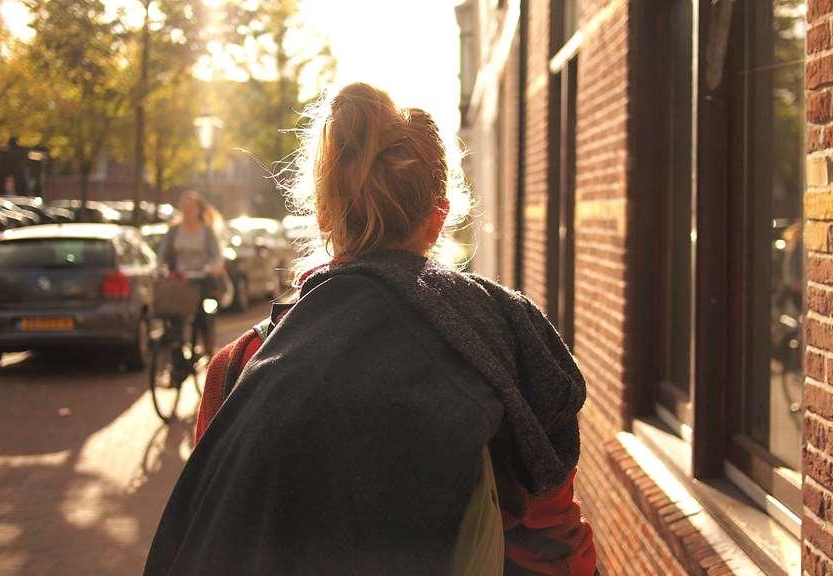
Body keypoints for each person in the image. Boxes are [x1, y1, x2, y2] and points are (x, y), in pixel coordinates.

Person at [144, 83, 596, 575]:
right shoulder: (503, 333)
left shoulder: (238, 368)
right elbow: (555, 538)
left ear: (321, 215)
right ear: (438, 218)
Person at [155, 191, 226, 355]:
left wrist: (211, 268)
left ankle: (207, 350)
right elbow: (162, 255)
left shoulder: (207, 232)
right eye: (185, 207)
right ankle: (177, 348)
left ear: (198, 209)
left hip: (201, 280)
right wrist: (160, 268)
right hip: (179, 281)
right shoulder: (174, 231)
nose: (188, 210)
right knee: (173, 313)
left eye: (191, 207)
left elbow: (216, 256)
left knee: (202, 316)